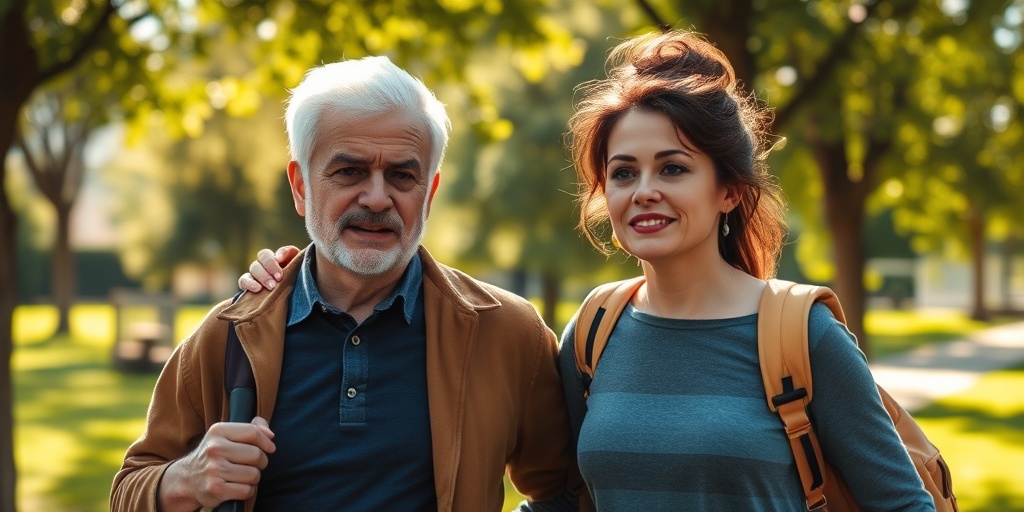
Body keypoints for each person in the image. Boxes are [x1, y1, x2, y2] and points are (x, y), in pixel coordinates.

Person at [242, 31, 937, 511]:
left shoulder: (800, 335)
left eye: (674, 168)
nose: (644, 192)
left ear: (728, 190)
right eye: (623, 172)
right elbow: (565, 498)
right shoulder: (596, 333)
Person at [111, 55, 582, 512]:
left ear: (430, 193)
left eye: (402, 175)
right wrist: (185, 479)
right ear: (300, 186)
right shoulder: (231, 334)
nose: (378, 198)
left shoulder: (506, 332)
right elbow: (129, 489)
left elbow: (567, 490)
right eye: (349, 171)